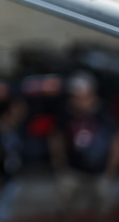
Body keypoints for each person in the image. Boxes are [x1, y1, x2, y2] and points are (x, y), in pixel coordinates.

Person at [50, 71, 119, 217]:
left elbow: (115, 140)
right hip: (72, 170)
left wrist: (111, 169)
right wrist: (58, 163)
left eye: (81, 95)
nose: (76, 100)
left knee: (102, 209)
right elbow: (56, 137)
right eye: (74, 96)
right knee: (64, 207)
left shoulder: (104, 112)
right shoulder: (66, 112)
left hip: (99, 172)